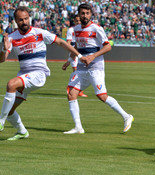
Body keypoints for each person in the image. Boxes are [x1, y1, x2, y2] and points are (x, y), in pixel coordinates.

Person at [0, 6, 85, 140]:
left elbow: (61, 42)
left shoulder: (39, 33)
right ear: (15, 21)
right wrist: (4, 50)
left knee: (11, 84)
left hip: (38, 74)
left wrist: (79, 56)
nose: (24, 22)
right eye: (21, 20)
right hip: (24, 76)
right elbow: (2, 59)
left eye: (26, 19)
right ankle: (22, 131)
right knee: (10, 110)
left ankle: (0, 121)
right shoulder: (11, 38)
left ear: (30, 18)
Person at [64, 3, 134, 134]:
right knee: (71, 93)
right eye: (82, 13)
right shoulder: (75, 29)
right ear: (78, 15)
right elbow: (77, 48)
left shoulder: (97, 28)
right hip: (81, 67)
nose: (85, 15)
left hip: (95, 66)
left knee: (102, 96)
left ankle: (126, 116)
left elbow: (108, 46)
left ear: (91, 14)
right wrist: (69, 61)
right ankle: (78, 127)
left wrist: (92, 56)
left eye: (87, 13)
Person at [62, 15, 88, 97]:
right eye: (76, 21)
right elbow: (69, 43)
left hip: (80, 51)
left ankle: (74, 88)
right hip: (74, 50)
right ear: (74, 21)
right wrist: (71, 54)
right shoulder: (71, 29)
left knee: (81, 72)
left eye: (79, 21)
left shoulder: (82, 29)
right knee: (76, 71)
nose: (78, 22)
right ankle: (73, 88)